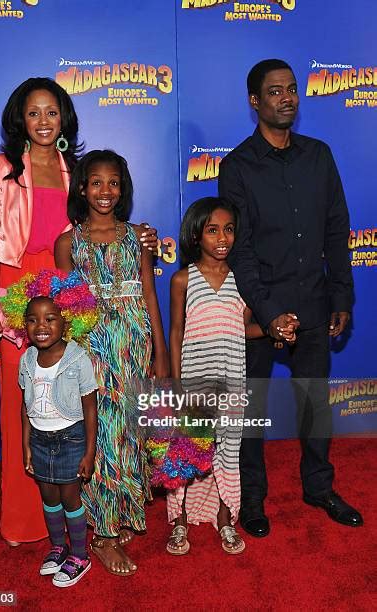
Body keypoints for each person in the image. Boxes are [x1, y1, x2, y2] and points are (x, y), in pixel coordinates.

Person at [0, 77, 157, 545]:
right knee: (25, 407)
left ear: (64, 118)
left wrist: (145, 237)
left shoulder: (77, 169)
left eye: (52, 112)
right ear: (20, 118)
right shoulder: (1, 167)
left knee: (74, 406)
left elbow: (101, 226)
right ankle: (25, 520)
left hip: (73, 293)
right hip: (19, 294)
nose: (43, 121)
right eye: (33, 113)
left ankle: (83, 513)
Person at [218, 58, 363, 537]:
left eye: (292, 90)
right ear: (255, 101)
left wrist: (342, 293)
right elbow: (241, 251)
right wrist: (269, 311)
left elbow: (336, 229)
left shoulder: (319, 155)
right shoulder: (237, 166)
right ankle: (252, 498)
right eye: (275, 91)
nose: (287, 98)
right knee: (254, 408)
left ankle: (319, 487)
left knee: (314, 403)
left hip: (316, 300)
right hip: (261, 310)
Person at [55, 149, 170, 575]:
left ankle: (119, 513)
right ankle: (100, 536)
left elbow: (149, 296)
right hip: (93, 352)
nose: (106, 191)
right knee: (100, 439)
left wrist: (161, 354)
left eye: (114, 183)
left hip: (134, 349)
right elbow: (67, 310)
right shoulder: (68, 243)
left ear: (124, 189)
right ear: (82, 188)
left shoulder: (137, 236)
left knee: (129, 438)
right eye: (96, 182)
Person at [0, 269, 99, 587]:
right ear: (23, 323)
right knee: (49, 497)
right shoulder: (27, 359)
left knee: (70, 498)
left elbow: (90, 407)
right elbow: (25, 407)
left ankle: (80, 555)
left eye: (50, 319)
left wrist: (89, 451)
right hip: (40, 441)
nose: (41, 326)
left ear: (66, 322)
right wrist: (27, 446)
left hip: (71, 439)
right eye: (32, 319)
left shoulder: (78, 358)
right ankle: (59, 547)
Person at [166, 197, 246, 556]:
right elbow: (175, 332)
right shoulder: (183, 279)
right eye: (212, 230)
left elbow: (246, 327)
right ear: (196, 235)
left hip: (232, 383)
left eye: (228, 229)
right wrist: (177, 385)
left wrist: (277, 329)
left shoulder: (241, 279)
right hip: (195, 385)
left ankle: (226, 519)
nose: (222, 237)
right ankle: (179, 521)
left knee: (229, 453)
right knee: (187, 451)